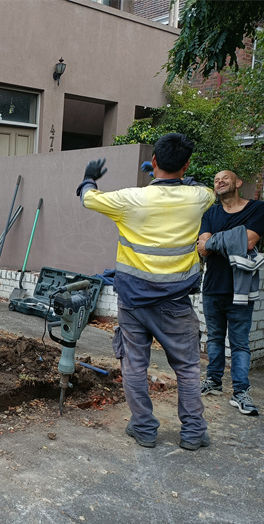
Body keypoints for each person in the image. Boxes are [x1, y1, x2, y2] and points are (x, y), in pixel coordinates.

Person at [76, 133, 215, 451]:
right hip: (175, 304)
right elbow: (199, 189)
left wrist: (89, 178)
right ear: (186, 164)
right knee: (188, 369)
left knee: (134, 366)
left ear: (154, 161)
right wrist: (173, 178)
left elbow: (88, 198)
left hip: (134, 304)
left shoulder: (130, 199)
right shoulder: (199, 198)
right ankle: (193, 432)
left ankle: (144, 428)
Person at [197, 170, 264, 416]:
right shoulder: (210, 213)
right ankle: (214, 381)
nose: (220, 181)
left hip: (241, 289)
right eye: (216, 179)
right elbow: (202, 248)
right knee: (215, 339)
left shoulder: (257, 208)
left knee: (239, 344)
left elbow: (248, 241)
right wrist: (232, 238)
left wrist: (214, 242)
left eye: (225, 178)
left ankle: (240, 392)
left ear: (238, 183)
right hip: (212, 287)